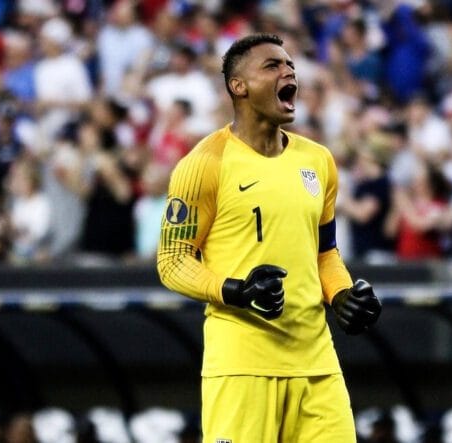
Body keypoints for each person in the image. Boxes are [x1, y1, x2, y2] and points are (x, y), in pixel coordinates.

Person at [156, 34, 382, 442]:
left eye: (291, 65)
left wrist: (343, 295)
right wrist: (235, 290)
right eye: (273, 65)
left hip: (316, 363)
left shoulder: (319, 161)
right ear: (238, 86)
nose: (289, 71)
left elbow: (325, 253)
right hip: (242, 366)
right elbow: (172, 261)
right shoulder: (203, 165)